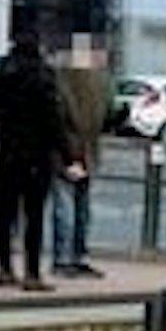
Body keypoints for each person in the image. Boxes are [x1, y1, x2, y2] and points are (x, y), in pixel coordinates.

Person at [0, 32, 66, 291]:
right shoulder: (43, 75)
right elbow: (53, 118)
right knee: (34, 215)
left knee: (6, 211)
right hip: (37, 153)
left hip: (9, 149)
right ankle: (32, 272)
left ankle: (4, 268)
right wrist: (66, 152)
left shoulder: (1, 72)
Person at [52, 32, 109, 279]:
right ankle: (79, 255)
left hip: (65, 150)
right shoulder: (101, 80)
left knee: (64, 204)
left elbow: (57, 115)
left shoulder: (61, 78)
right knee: (83, 207)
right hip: (90, 149)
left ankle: (62, 258)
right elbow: (110, 111)